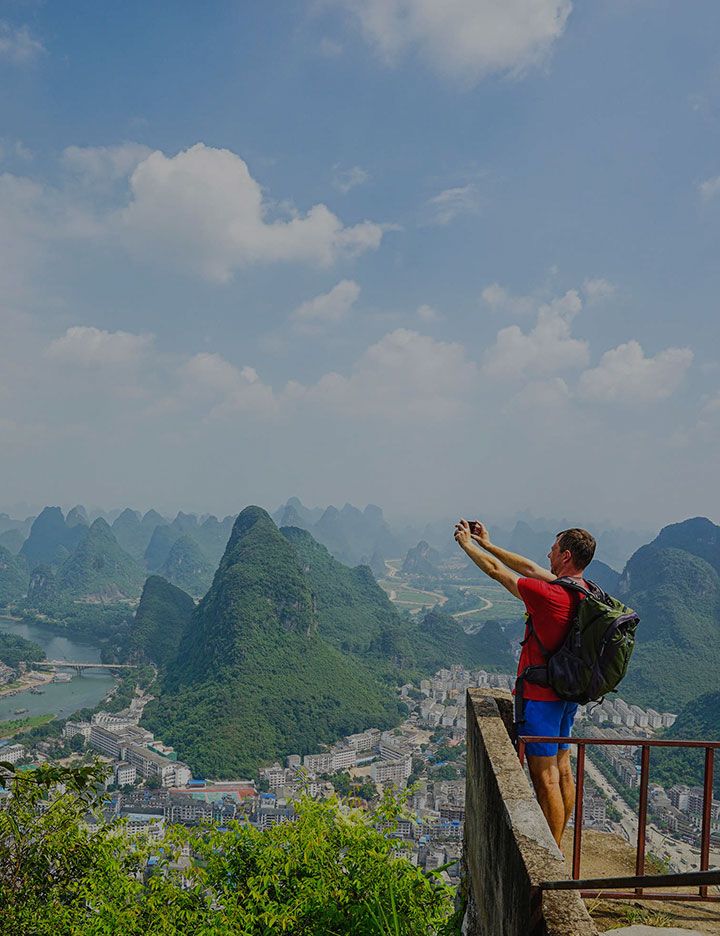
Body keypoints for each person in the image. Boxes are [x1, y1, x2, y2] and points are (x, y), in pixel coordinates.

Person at [454, 519, 596, 850]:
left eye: (552, 548)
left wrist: (466, 545)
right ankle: (559, 846)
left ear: (565, 554)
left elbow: (496, 572)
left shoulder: (549, 595)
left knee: (544, 778)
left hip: (542, 697)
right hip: (567, 694)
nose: (546, 554)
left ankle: (551, 856)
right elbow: (530, 567)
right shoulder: (583, 590)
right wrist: (487, 543)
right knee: (562, 770)